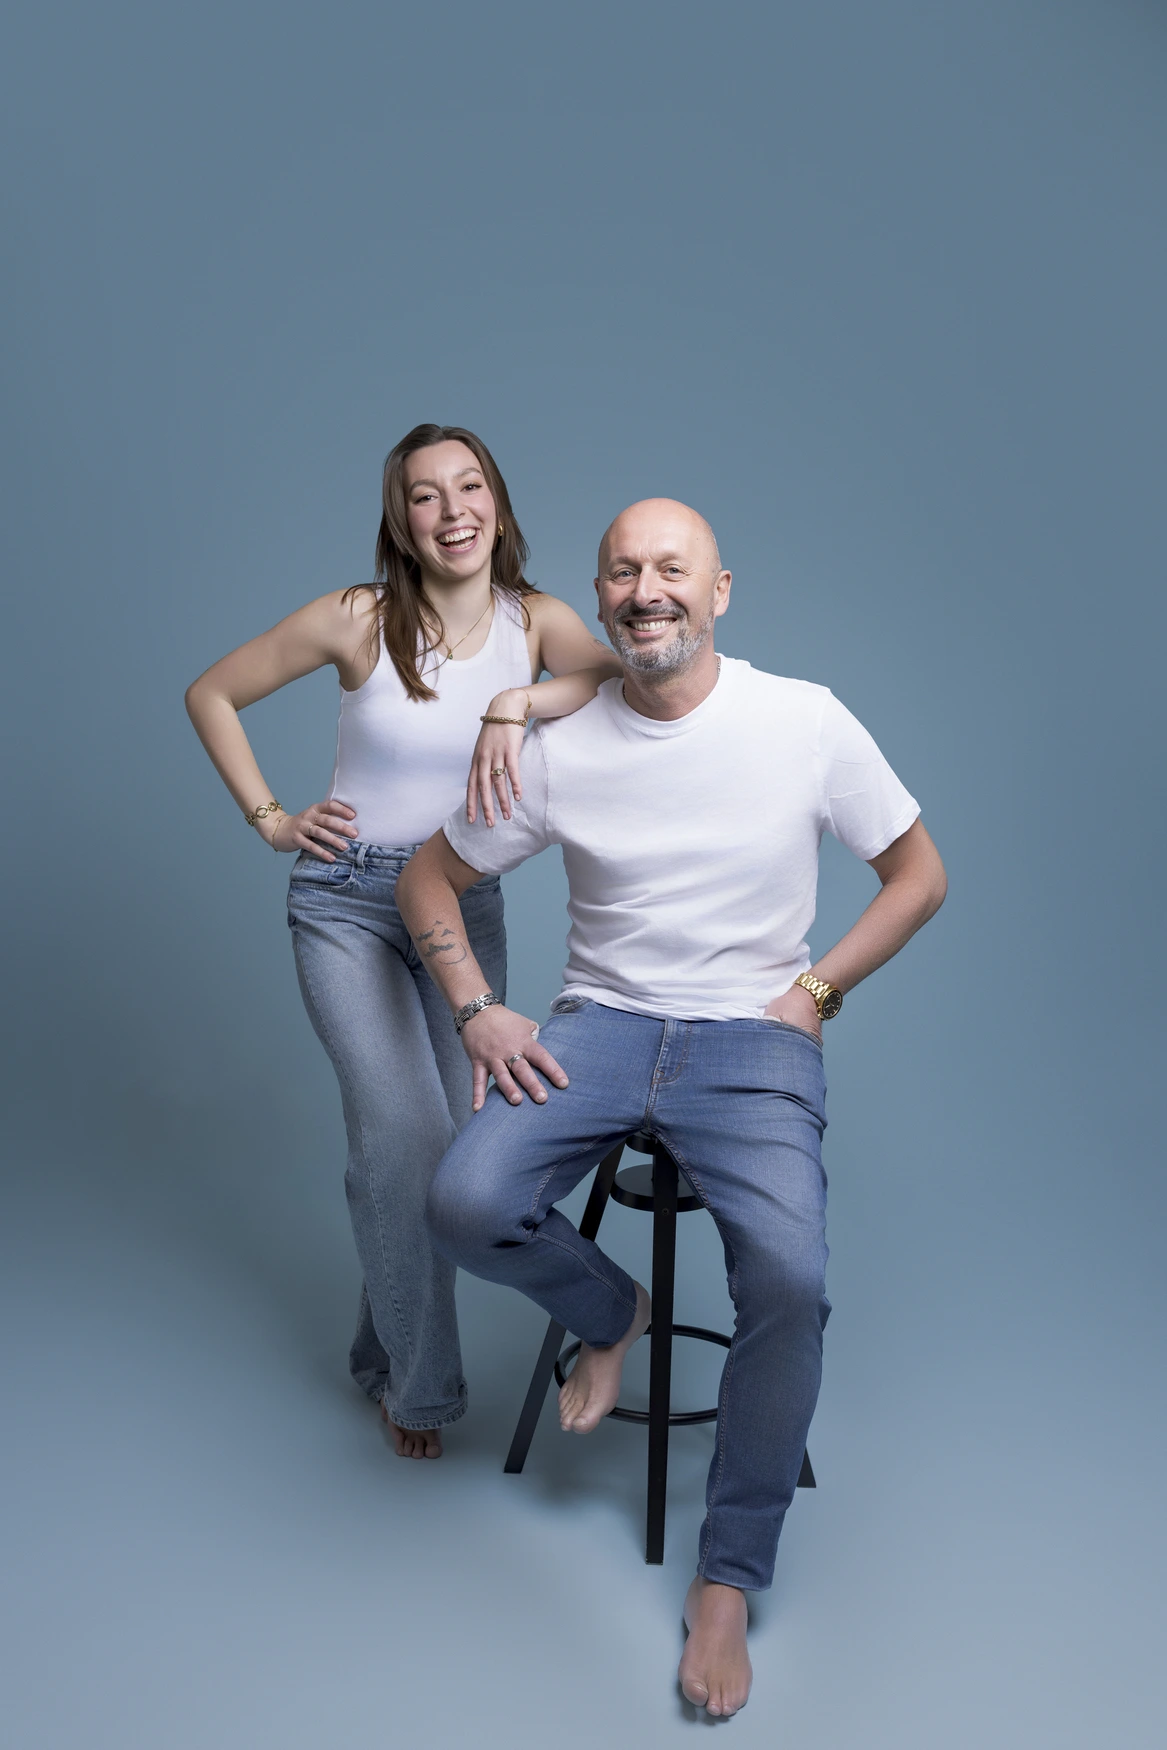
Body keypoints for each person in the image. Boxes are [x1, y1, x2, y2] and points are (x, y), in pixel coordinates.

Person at [395, 497, 947, 1713]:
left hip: (752, 1039)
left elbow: (919, 873)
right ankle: (615, 1309)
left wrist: (816, 992)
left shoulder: (803, 719)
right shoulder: (561, 742)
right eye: (622, 572)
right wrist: (476, 1005)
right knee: (464, 1200)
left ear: (720, 589)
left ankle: (727, 1576)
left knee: (789, 1280)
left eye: (671, 568)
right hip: (600, 1025)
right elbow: (427, 874)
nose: (647, 590)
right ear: (599, 597)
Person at [184, 424, 621, 1460]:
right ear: (401, 520)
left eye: (469, 487)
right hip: (344, 902)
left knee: (456, 1153)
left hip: (462, 910)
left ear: (498, 508)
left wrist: (518, 702)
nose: (451, 510)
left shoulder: (536, 622)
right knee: (404, 1142)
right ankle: (420, 1393)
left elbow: (616, 684)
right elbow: (213, 692)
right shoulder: (358, 617)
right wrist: (272, 818)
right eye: (425, 495)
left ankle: (378, 1344)